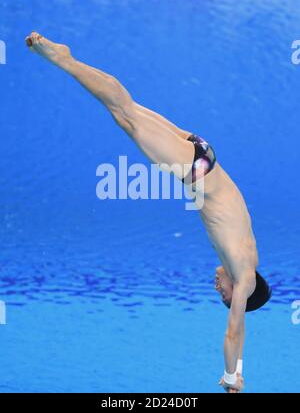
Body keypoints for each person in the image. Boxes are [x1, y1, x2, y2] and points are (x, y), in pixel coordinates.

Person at [25, 32, 272, 393]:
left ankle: (69, 62)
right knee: (124, 110)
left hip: (203, 156)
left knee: (127, 113)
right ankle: (64, 59)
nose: (218, 289)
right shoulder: (245, 276)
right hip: (195, 170)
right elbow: (235, 330)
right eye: (225, 296)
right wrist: (233, 377)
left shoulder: (250, 258)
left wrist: (240, 366)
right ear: (241, 293)